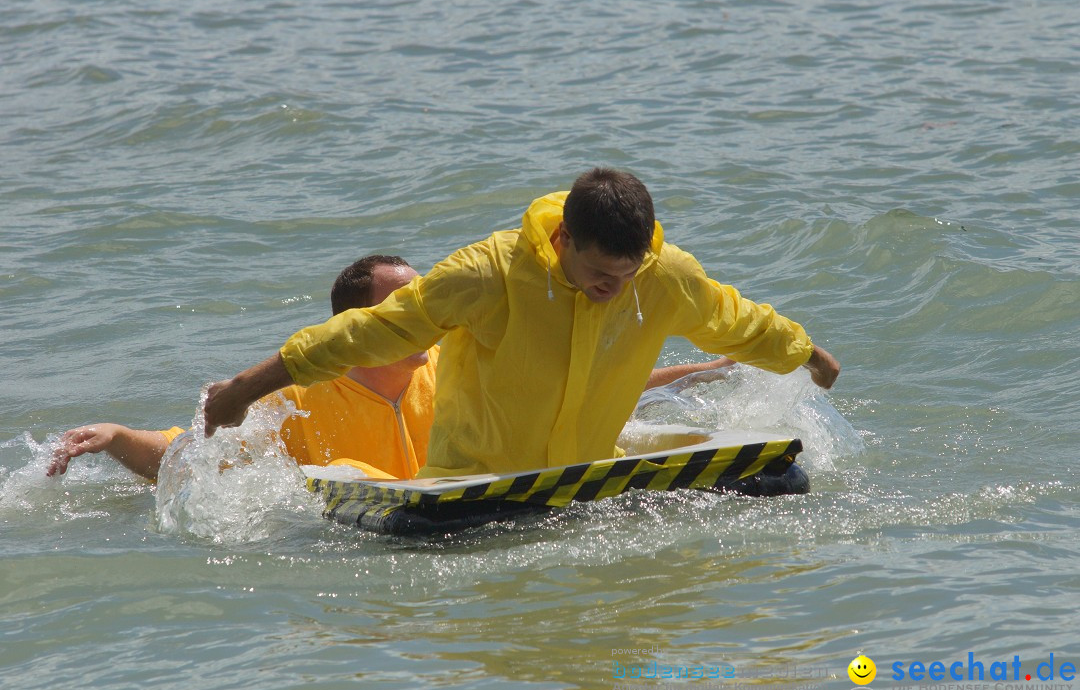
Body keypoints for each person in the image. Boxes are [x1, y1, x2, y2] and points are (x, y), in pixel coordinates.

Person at [203, 168, 839, 479]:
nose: (612, 290)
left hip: (582, 479)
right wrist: (242, 391)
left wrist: (807, 353)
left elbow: (736, 319)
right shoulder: (487, 274)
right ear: (563, 237)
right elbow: (366, 332)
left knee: (785, 481)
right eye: (599, 274)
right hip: (470, 489)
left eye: (628, 274)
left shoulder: (663, 274)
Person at [49, 253, 734, 481]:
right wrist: (113, 436)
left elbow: (564, 390)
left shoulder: (445, 364)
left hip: (448, 503)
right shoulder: (299, 400)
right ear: (357, 328)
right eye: (403, 305)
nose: (425, 316)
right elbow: (186, 457)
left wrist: (694, 373)